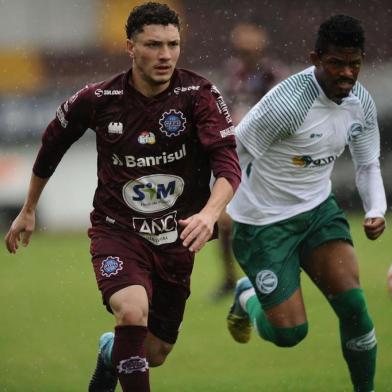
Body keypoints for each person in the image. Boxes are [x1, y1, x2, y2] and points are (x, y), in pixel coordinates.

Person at [4, 3, 241, 392]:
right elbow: (52, 144)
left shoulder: (199, 95)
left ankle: (109, 352)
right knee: (131, 312)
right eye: (153, 45)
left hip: (176, 236)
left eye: (173, 44)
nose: (165, 55)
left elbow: (228, 165)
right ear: (130, 47)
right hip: (119, 231)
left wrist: (210, 214)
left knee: (155, 352)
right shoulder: (99, 98)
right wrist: (29, 208)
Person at [226, 14, 386, 392]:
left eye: (354, 64)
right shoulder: (287, 105)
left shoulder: (359, 102)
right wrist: (213, 207)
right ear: (315, 58)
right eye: (336, 64)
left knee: (354, 308)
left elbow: (367, 163)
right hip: (264, 224)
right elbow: (232, 152)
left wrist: (375, 209)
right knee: (290, 334)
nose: (346, 73)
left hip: (317, 212)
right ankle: (247, 294)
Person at [212, 22, 289, 301]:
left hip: (266, 157)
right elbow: (223, 106)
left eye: (249, 36)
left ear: (261, 39)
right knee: (224, 220)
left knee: (269, 220)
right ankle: (231, 279)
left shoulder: (273, 73)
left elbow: (284, 113)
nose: (243, 42)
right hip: (236, 155)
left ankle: (272, 276)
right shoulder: (231, 71)